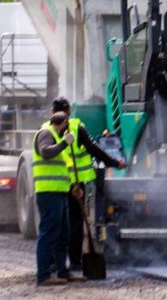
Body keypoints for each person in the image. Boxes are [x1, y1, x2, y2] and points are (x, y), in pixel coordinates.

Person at [51, 95, 127, 277]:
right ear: (69, 111)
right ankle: (75, 261)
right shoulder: (78, 127)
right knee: (75, 221)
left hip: (56, 184)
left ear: (53, 112)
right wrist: (115, 162)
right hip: (74, 184)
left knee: (58, 223)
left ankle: (55, 263)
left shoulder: (47, 129)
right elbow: (94, 149)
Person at [33, 111, 77, 287]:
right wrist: (65, 143)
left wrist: (73, 186)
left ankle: (62, 272)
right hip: (48, 192)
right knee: (48, 233)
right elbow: (45, 152)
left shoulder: (55, 136)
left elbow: (62, 167)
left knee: (63, 234)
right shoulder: (46, 133)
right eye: (66, 126)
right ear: (64, 122)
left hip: (59, 192)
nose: (66, 130)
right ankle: (43, 275)